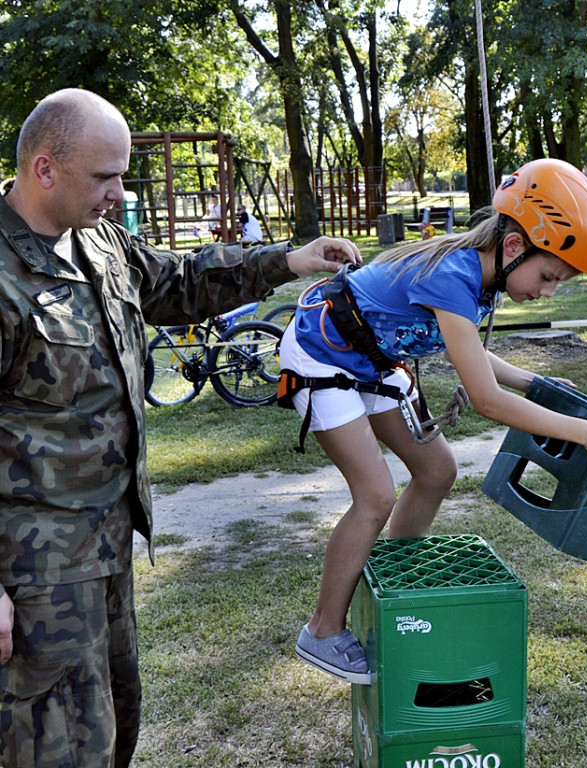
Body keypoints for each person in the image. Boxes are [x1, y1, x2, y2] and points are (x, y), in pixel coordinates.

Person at [0, 88, 359, 768]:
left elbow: (180, 282)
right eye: (104, 176)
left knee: (111, 722)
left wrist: (287, 262)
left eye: (123, 174)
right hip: (31, 566)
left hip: (103, 546)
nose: (118, 192)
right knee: (50, 746)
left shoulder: (98, 242)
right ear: (44, 168)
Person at [280, 158, 587, 684]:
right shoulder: (453, 276)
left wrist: (535, 383)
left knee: (437, 471)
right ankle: (321, 630)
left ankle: (396, 580)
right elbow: (485, 399)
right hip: (323, 354)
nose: (548, 292)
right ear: (516, 247)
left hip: (372, 358)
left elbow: (470, 354)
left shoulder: (481, 278)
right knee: (376, 495)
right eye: (548, 276)